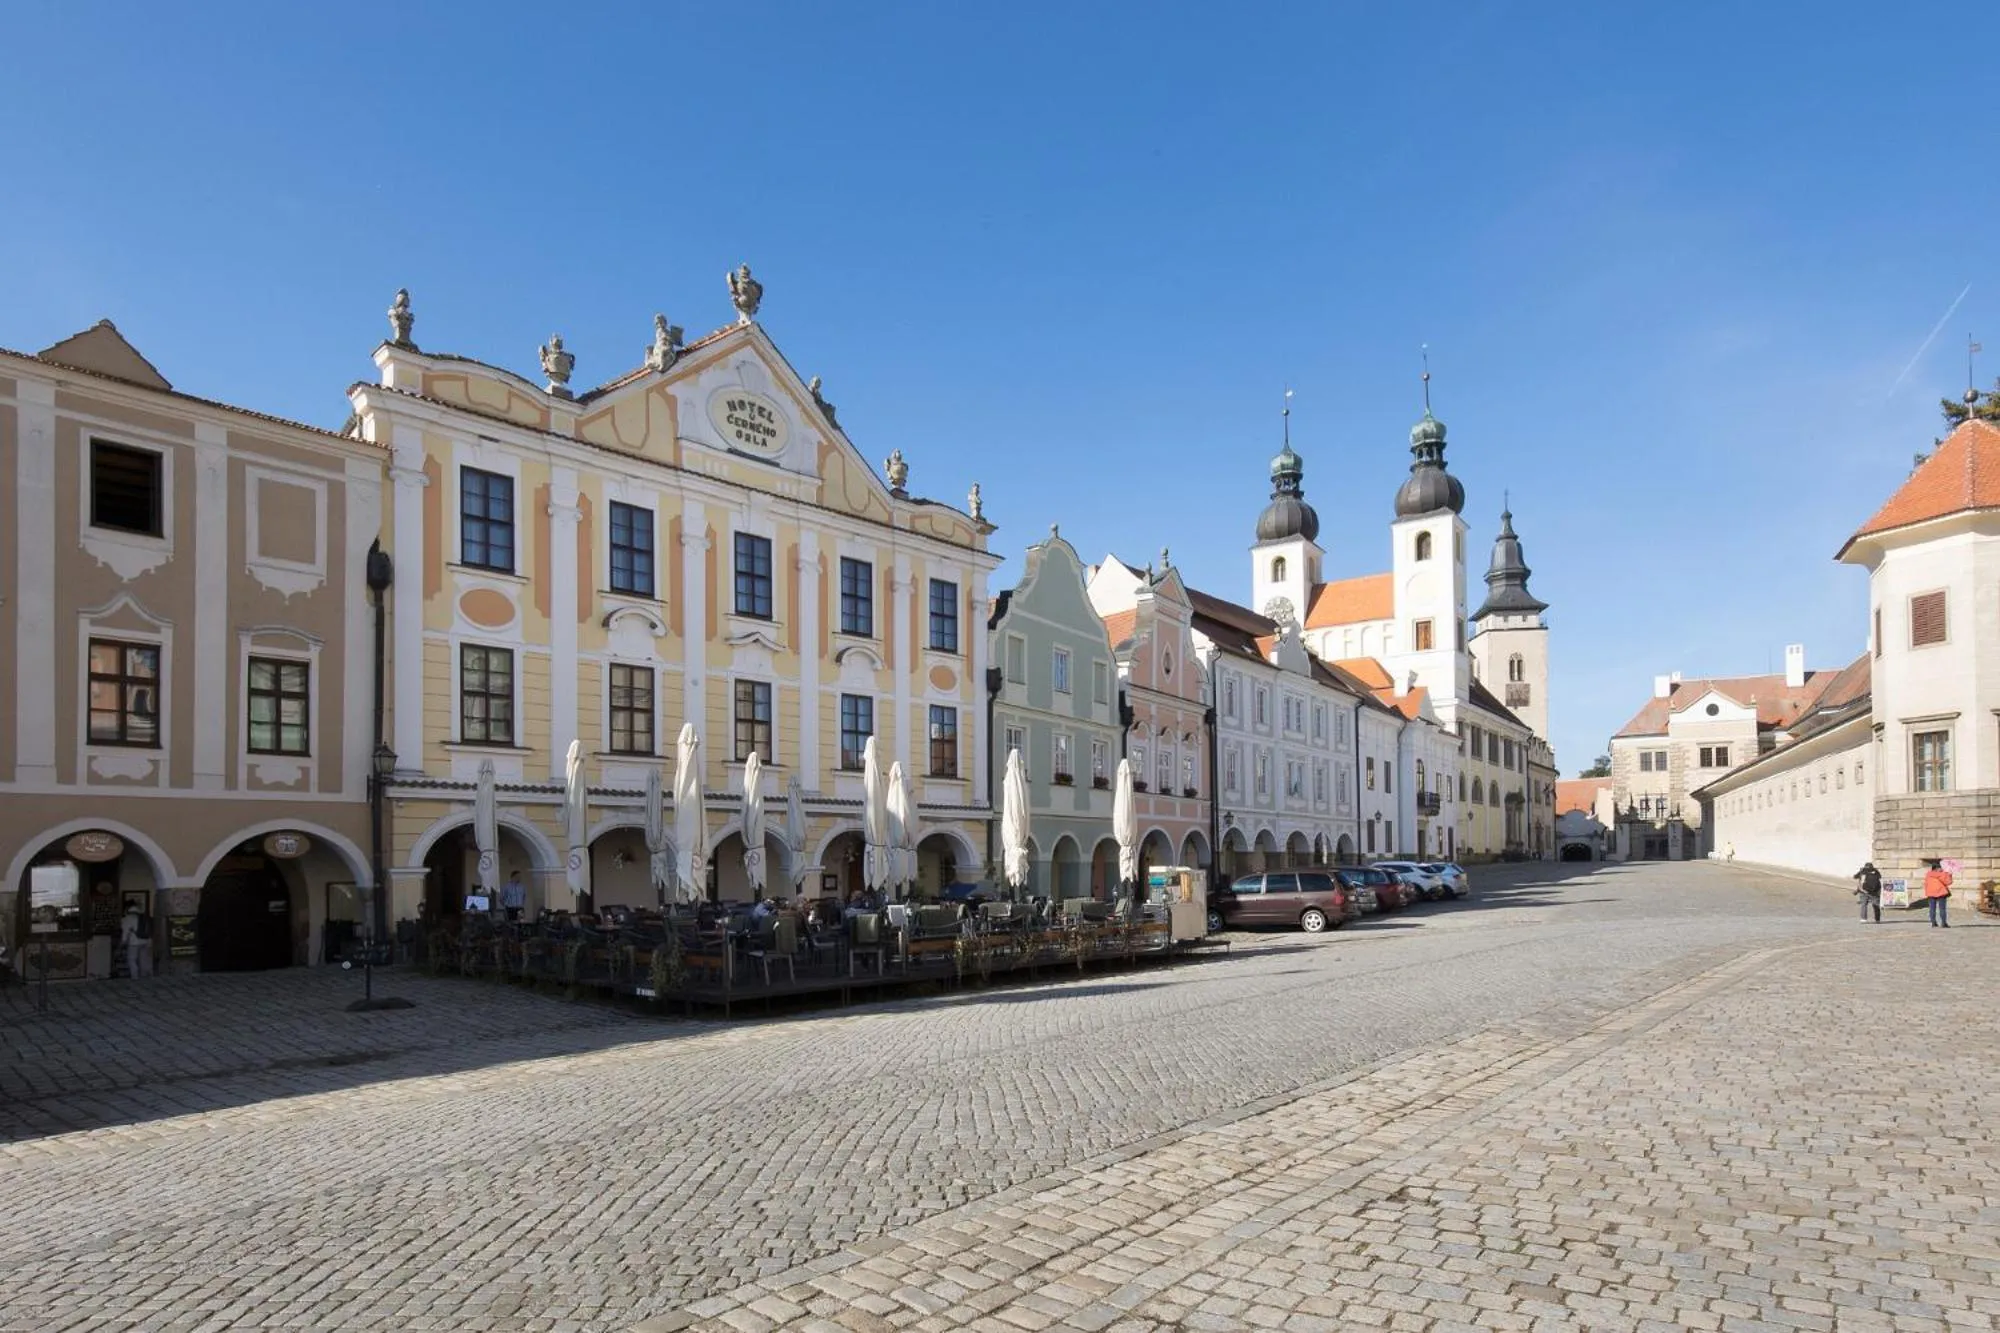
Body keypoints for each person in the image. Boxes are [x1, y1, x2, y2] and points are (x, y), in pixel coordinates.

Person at [119, 902, 152, 978]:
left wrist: (123, 942)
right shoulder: (143, 919)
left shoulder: (127, 919)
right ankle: (144, 976)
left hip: (134, 942)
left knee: (132, 959)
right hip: (145, 941)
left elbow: (125, 932)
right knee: (143, 960)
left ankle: (135, 976)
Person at [1924, 858, 1953, 928]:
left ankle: (1933, 923)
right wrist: (1949, 875)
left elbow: (1926, 884)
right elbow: (1948, 882)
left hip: (1931, 893)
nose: (1942, 869)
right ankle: (1943, 923)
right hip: (1941, 893)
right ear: (1937, 868)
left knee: (1932, 909)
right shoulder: (1942, 874)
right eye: (1941, 867)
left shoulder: (1928, 874)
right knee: (1942, 909)